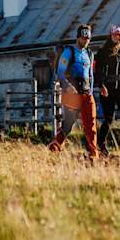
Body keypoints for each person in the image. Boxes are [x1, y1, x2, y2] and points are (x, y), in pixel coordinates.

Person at [48, 23, 99, 159]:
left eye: (88, 39)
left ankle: (93, 153)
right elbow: (60, 71)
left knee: (91, 124)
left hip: (87, 94)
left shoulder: (90, 54)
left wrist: (91, 91)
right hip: (72, 93)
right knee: (68, 124)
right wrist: (66, 85)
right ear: (78, 37)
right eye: (83, 38)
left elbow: (91, 75)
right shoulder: (68, 52)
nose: (86, 41)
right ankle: (55, 145)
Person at [96, 25, 120, 155]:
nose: (117, 37)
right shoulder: (102, 52)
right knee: (109, 118)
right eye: (115, 35)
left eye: (119, 35)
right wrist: (101, 85)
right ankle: (101, 144)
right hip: (108, 88)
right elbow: (98, 72)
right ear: (110, 36)